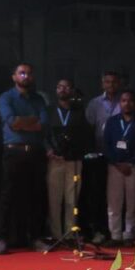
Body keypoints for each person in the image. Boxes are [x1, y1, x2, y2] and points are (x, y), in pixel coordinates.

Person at [0, 62, 49, 255]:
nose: (25, 76)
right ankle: (3, 239)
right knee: (8, 196)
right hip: (14, 151)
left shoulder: (38, 99)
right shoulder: (6, 97)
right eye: (21, 73)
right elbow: (12, 122)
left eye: (28, 73)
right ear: (14, 76)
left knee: (36, 196)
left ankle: (35, 238)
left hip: (35, 152)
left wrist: (22, 122)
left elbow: (43, 124)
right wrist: (30, 121)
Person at [45, 79, 91, 241]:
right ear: (56, 90)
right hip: (55, 160)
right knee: (54, 200)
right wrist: (48, 150)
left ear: (72, 90)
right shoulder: (49, 110)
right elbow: (44, 133)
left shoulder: (79, 111)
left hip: (74, 160)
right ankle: (56, 235)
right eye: (59, 86)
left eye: (66, 87)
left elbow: (85, 135)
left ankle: (70, 235)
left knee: (72, 200)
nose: (63, 89)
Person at [83, 71, 124, 244]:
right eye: (107, 82)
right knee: (98, 194)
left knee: (117, 197)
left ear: (118, 84)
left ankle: (118, 231)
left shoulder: (124, 101)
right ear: (102, 84)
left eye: (114, 82)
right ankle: (98, 230)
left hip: (119, 155)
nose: (111, 85)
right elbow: (88, 128)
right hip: (99, 155)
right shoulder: (95, 103)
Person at [103, 89, 135, 245]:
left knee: (132, 202)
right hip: (115, 167)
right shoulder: (112, 121)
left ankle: (129, 234)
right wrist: (117, 163)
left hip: (134, 166)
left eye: (130, 101)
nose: (127, 104)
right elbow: (106, 144)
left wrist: (131, 162)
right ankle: (115, 235)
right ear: (119, 103)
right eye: (124, 101)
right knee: (114, 202)